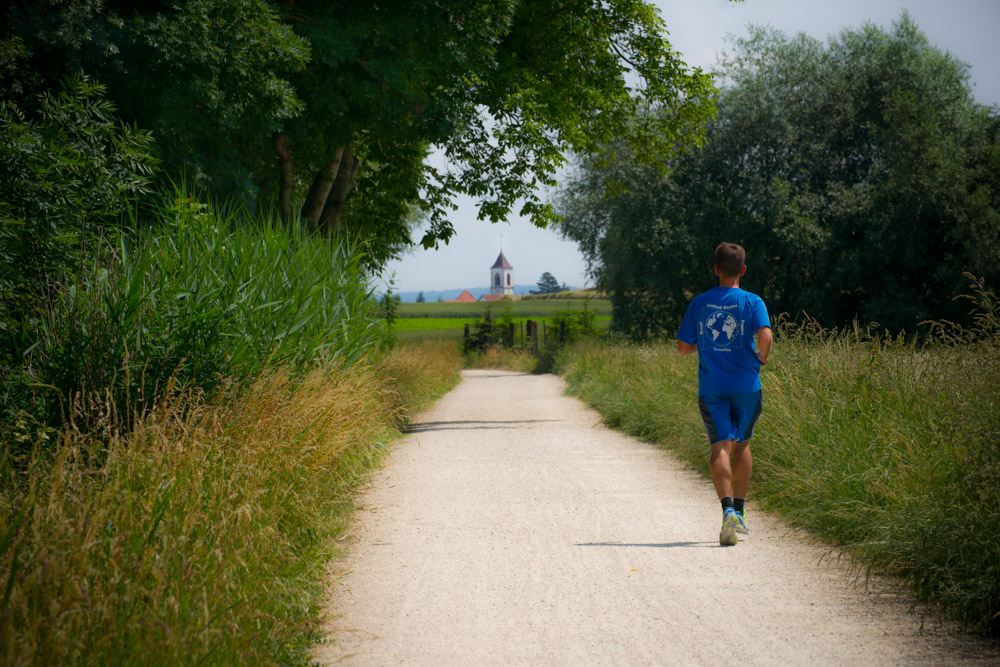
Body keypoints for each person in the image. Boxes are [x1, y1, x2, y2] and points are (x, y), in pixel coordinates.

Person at [676, 242, 772, 546]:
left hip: (713, 388)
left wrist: (705, 345)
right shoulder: (753, 301)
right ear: (742, 270)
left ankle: (728, 510)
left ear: (716, 269)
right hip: (747, 387)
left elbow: (682, 348)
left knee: (719, 445)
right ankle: (740, 512)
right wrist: (762, 357)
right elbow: (766, 335)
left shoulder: (700, 303)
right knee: (742, 445)